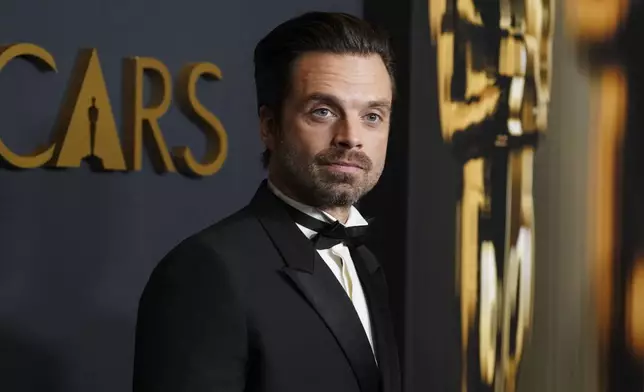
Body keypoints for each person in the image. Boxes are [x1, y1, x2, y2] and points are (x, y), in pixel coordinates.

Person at [132, 11, 400, 392]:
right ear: (268, 126)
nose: (350, 137)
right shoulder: (206, 272)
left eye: (372, 116)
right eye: (323, 111)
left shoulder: (366, 265)